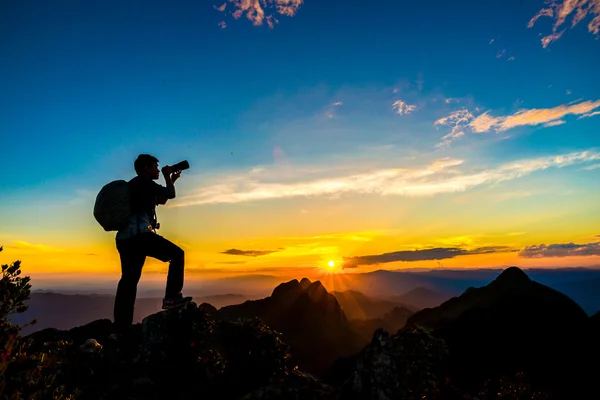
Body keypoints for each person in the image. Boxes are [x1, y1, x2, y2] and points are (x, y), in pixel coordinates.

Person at [112, 154, 192, 335]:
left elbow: (162, 199)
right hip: (140, 236)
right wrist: (166, 177)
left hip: (125, 239)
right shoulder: (144, 183)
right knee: (177, 254)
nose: (158, 169)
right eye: (156, 167)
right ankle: (171, 298)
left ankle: (120, 328)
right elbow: (170, 194)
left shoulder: (135, 185)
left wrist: (172, 180)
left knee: (129, 281)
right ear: (146, 168)